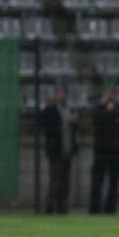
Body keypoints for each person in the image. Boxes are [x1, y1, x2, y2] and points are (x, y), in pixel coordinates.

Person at [89, 85, 119, 214]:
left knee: (114, 184)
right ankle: (94, 209)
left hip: (116, 152)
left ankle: (110, 210)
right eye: (108, 93)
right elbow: (97, 119)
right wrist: (112, 115)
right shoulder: (98, 107)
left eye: (112, 93)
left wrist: (111, 112)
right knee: (97, 182)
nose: (110, 95)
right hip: (101, 151)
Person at [38, 86, 78, 214]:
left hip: (67, 151)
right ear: (56, 96)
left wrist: (75, 123)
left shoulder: (70, 110)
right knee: (55, 181)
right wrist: (44, 108)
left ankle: (62, 209)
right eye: (60, 94)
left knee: (65, 183)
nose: (62, 96)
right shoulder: (51, 110)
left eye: (64, 94)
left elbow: (73, 130)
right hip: (55, 151)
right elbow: (42, 122)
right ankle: (48, 209)